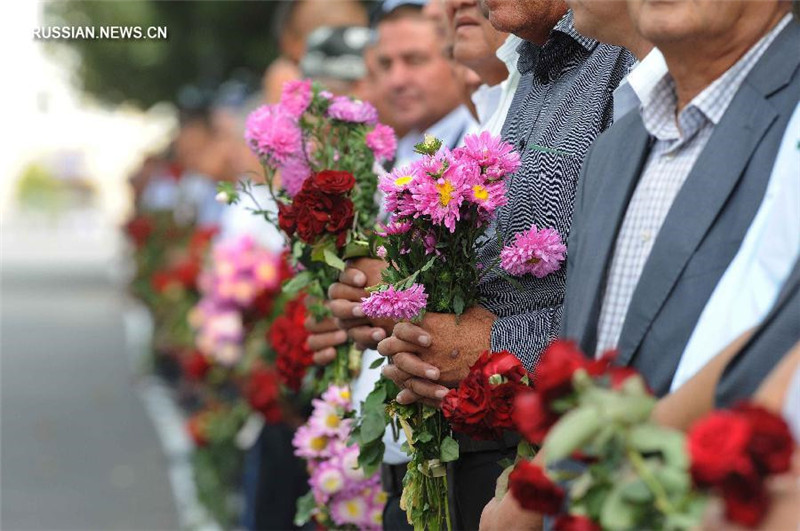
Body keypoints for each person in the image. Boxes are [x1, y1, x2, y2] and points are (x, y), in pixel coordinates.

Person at [374, 1, 634, 528]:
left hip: (561, 450)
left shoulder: (627, 60)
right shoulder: (533, 61)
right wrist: (412, 318)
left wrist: (495, 348)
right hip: (484, 442)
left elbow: (635, 296)